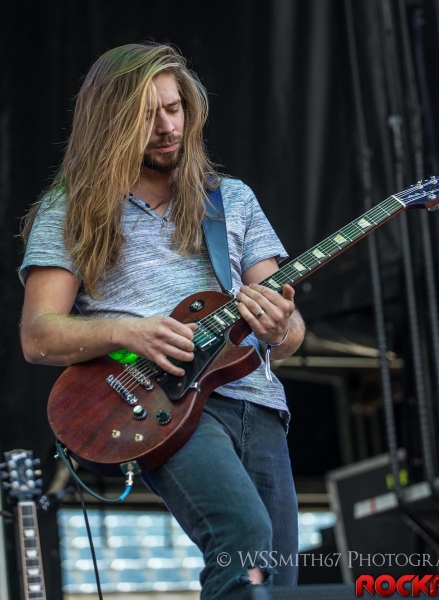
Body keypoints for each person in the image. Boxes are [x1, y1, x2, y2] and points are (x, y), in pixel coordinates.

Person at [19, 42, 305, 599]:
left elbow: (289, 331)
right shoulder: (70, 209)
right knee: (243, 538)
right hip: (158, 402)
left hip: (259, 404)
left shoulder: (231, 200)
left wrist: (279, 327)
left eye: (174, 109)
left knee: (277, 581)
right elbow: (38, 334)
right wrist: (129, 331)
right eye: (147, 116)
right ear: (109, 124)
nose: (168, 127)